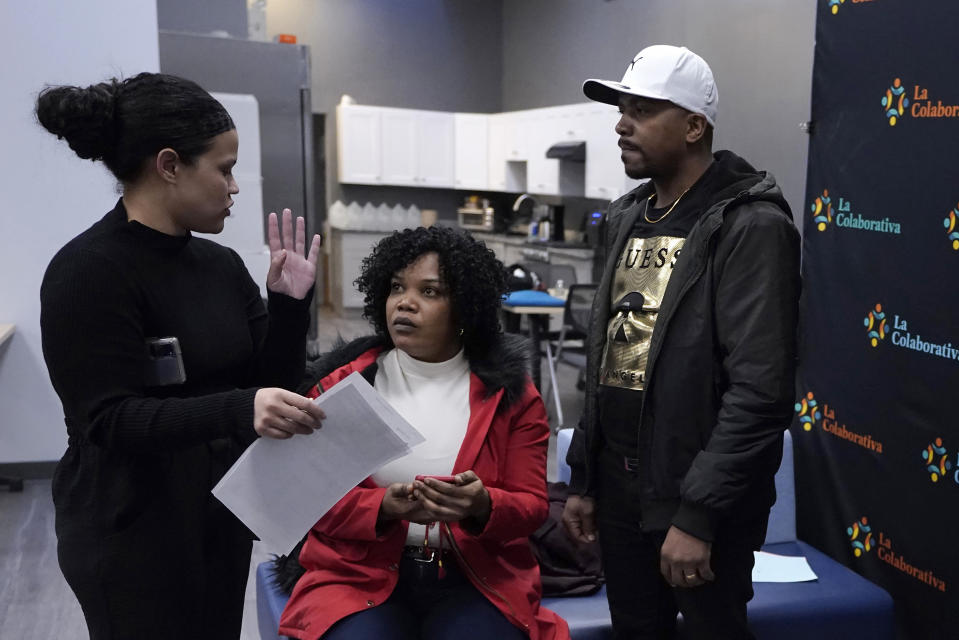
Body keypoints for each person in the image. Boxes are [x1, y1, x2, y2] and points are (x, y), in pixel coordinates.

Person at [37, 72, 325, 640]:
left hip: (217, 516)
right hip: (129, 531)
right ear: (169, 165)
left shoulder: (222, 269)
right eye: (224, 168)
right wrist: (241, 408)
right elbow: (109, 419)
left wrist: (290, 308)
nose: (234, 186)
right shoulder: (88, 273)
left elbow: (270, 387)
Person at [561, 45, 801, 639]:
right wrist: (585, 480)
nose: (621, 123)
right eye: (621, 109)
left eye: (642, 110)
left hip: (698, 503)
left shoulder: (751, 227)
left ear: (695, 126)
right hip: (619, 492)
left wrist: (698, 516)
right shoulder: (625, 217)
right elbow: (609, 358)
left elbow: (760, 393)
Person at [277, 226, 569, 640]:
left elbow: (532, 506)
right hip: (357, 574)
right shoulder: (344, 387)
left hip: (476, 577)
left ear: (464, 308)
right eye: (397, 287)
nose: (405, 303)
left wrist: (483, 504)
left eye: (429, 292)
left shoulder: (512, 396)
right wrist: (383, 507)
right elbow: (312, 499)